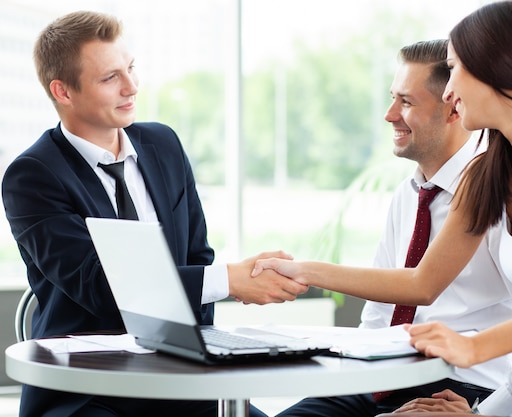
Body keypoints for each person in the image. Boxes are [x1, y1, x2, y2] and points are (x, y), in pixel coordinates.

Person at [252, 1, 512, 416]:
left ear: (495, 67)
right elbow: (422, 283)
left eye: (456, 69)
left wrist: (473, 348)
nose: (450, 92)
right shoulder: (492, 177)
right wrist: (302, 270)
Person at [1, 10, 307, 417]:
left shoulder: (163, 145)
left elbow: (197, 256)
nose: (131, 87)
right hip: (89, 389)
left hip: (178, 375)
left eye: (130, 69)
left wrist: (203, 360)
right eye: (110, 78)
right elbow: (98, 285)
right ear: (63, 91)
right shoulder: (33, 175)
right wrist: (229, 280)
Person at [275, 39, 512, 417]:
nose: (389, 115)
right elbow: (379, 313)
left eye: (406, 102)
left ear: (454, 108)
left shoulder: (496, 192)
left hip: (461, 385)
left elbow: (423, 286)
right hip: (379, 380)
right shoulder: (408, 195)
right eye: (393, 98)